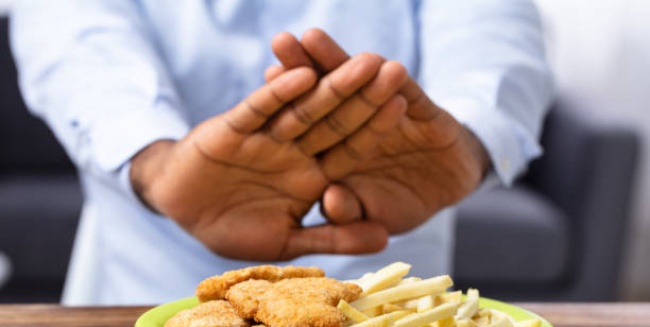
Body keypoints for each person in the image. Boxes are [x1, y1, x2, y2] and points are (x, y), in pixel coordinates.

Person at [10, 0, 554, 305]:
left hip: (393, 318)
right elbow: (72, 34)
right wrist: (157, 165)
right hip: (140, 291)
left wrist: (471, 141)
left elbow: (492, 34)